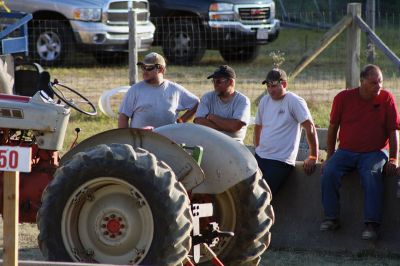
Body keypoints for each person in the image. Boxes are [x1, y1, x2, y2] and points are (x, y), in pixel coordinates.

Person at [319, 64, 400, 240]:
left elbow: (393, 131)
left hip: (376, 152)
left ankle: (372, 224)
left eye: (380, 82)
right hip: (346, 151)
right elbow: (333, 128)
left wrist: (393, 158)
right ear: (362, 81)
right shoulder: (343, 98)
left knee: (371, 173)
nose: (378, 86)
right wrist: (330, 156)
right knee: (329, 171)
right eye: (373, 82)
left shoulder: (387, 99)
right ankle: (331, 218)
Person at [254, 68, 318, 195]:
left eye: (274, 86)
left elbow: (309, 127)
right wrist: (257, 148)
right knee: (248, 194)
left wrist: (313, 156)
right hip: (261, 156)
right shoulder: (264, 101)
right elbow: (258, 126)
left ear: (284, 84)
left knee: (262, 196)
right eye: (268, 86)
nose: (270, 90)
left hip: (281, 160)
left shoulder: (294, 101)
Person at [118, 52, 199, 129]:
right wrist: (127, 139)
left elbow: (196, 103)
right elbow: (123, 117)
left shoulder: (175, 89)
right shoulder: (135, 90)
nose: (144, 71)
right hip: (141, 140)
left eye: (149, 67)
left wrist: (181, 120)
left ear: (161, 69)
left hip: (167, 140)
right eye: (143, 67)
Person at [194, 65, 250, 143]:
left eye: (218, 81)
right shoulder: (207, 97)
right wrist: (226, 128)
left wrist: (212, 117)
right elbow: (199, 121)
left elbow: (235, 126)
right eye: (213, 81)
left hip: (234, 145)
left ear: (230, 82)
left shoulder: (243, 101)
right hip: (210, 143)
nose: (215, 84)